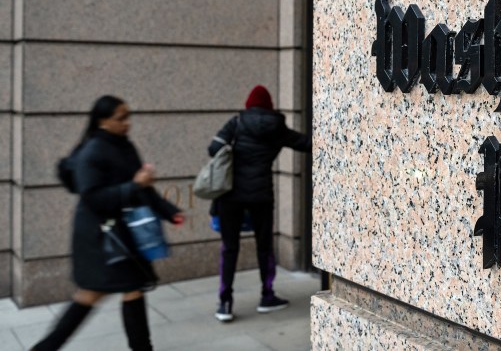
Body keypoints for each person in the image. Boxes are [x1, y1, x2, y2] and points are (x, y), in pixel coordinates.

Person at [32, 95, 183, 351]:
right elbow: (93, 198)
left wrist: (169, 211)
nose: (128, 123)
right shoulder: (92, 152)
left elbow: (141, 187)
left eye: (128, 116)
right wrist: (136, 184)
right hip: (100, 238)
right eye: (121, 118)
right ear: (103, 121)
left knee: (132, 289)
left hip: (120, 234)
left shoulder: (124, 145)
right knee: (91, 295)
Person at [209, 85, 309, 322]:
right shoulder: (277, 127)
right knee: (264, 247)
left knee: (230, 248)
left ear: (248, 104)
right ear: (269, 105)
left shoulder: (237, 123)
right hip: (261, 195)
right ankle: (267, 295)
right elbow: (305, 143)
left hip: (230, 195)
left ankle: (225, 302)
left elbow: (213, 149)